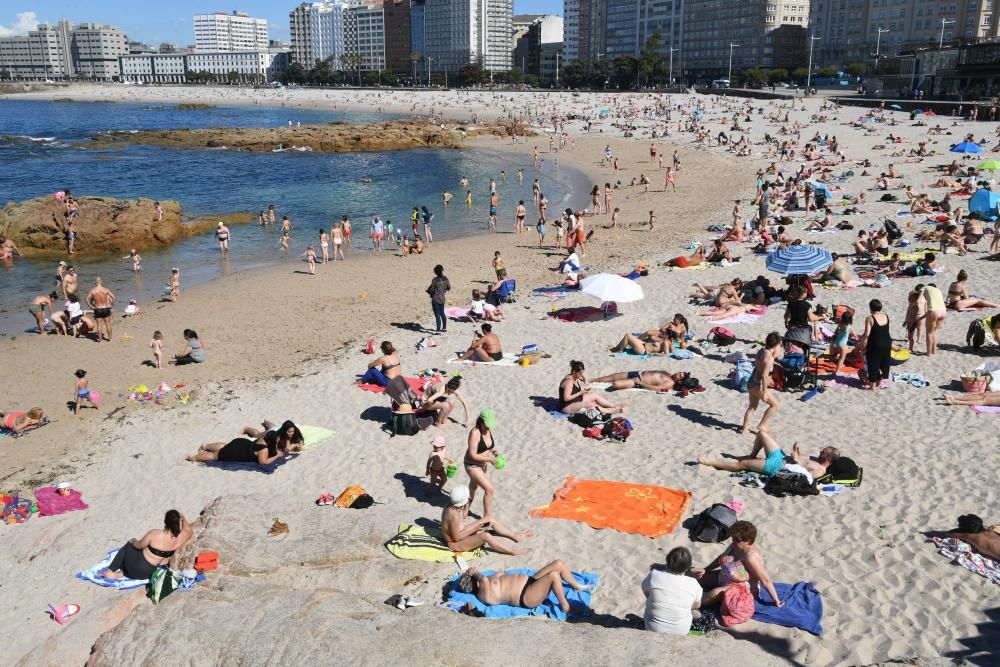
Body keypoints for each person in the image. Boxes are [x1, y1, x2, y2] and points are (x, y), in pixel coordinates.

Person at [688, 520, 783, 609]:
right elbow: (721, 557)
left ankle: (686, 603)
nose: (733, 541)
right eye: (733, 537)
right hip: (727, 575)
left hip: (743, 585)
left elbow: (765, 580)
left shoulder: (751, 557)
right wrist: (706, 569)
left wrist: (776, 600)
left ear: (748, 541)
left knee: (713, 594)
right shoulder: (735, 545)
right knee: (694, 576)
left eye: (737, 539)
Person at [455, 560, 593, 613]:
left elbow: (500, 572)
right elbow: (483, 579)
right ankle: (565, 607)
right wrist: (475, 572)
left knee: (558, 564)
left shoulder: (486, 580)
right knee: (554, 576)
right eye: (472, 579)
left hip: (530, 581)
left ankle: (577, 586)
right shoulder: (481, 593)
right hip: (526, 596)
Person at [98, 510, 193, 581]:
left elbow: (139, 546)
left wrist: (133, 540)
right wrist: (183, 518)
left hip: (136, 568)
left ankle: (110, 571)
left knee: (129, 545)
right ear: (178, 521)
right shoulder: (182, 536)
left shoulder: (155, 533)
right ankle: (122, 573)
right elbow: (189, 530)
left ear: (165, 521)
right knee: (140, 555)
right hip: (149, 573)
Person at [441, 484, 532, 556]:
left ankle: (514, 536)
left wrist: (467, 504)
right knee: (486, 536)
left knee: (489, 519)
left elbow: (464, 517)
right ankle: (512, 552)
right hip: (455, 544)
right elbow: (457, 538)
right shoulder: (454, 515)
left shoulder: (453, 505)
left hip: (462, 532)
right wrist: (475, 529)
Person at [641, 547, 703, 635]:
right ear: (688, 567)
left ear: (667, 561)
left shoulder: (654, 575)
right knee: (699, 614)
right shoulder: (693, 583)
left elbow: (645, 591)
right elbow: (697, 605)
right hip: (681, 631)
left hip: (652, 628)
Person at [187, 420, 304, 464]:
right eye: (289, 432)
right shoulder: (269, 442)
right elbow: (263, 462)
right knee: (214, 456)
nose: (292, 433)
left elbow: (300, 444)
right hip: (241, 448)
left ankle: (206, 445)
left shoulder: (291, 434)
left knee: (225, 447)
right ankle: (192, 458)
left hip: (242, 443)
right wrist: (278, 455)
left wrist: (295, 444)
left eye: (292, 432)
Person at [741, 332, 783, 434]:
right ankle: (762, 425)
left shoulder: (761, 351)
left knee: (752, 407)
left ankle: (745, 429)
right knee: (775, 405)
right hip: (758, 385)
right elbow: (764, 376)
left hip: (751, 382)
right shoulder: (769, 359)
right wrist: (764, 392)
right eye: (780, 345)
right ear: (776, 345)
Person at [557, 360, 626, 414]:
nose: (581, 376)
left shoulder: (575, 376)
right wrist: (580, 393)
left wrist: (584, 389)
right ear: (574, 372)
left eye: (582, 374)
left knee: (594, 395)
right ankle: (611, 411)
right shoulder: (569, 381)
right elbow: (566, 398)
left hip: (575, 400)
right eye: (580, 374)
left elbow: (581, 377)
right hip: (566, 406)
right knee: (591, 405)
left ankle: (613, 406)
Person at [856, 299, 892, 390]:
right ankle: (879, 383)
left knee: (873, 364)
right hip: (887, 342)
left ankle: (872, 387)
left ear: (871, 308)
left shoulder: (870, 318)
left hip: (876, 343)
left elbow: (867, 334)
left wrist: (860, 339)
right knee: (883, 363)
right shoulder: (886, 316)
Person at [590, 369, 689, 393]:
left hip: (638, 381)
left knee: (615, 384)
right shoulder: (670, 375)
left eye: (679, 375)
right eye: (679, 372)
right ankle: (592, 380)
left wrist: (639, 383)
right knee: (613, 376)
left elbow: (657, 389)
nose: (677, 374)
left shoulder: (670, 383)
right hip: (638, 373)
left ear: (679, 381)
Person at [85, 277, 115, 343]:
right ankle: (110, 339)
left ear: (95, 282)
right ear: (101, 282)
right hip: (105, 308)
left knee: (99, 324)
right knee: (108, 324)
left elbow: (87, 299)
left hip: (97, 309)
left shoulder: (93, 290)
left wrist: (91, 307)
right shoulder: (105, 289)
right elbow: (113, 297)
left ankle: (100, 340)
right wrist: (111, 305)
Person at [829, 311, 856, 376]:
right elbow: (855, 335)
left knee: (840, 353)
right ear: (850, 319)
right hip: (842, 344)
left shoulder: (840, 324)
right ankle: (837, 371)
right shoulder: (849, 327)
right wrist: (850, 335)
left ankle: (838, 362)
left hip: (837, 342)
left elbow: (836, 332)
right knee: (842, 358)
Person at [427, 264, 451, 333]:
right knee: (442, 313)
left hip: (436, 299)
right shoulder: (445, 279)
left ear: (435, 272)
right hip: (442, 298)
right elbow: (449, 287)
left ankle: (438, 330)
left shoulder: (435, 280)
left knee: (437, 314)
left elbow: (431, 290)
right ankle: (444, 328)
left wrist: (429, 291)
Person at [924, 284, 946, 356]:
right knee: (934, 332)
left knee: (929, 333)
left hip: (934, 312)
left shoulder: (927, 289)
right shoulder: (938, 291)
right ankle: (934, 351)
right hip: (943, 311)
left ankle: (929, 353)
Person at [904, 285, 927, 352]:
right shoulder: (912, 296)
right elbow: (915, 302)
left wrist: (925, 314)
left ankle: (918, 339)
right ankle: (910, 347)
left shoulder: (924, 297)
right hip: (911, 317)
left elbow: (925, 306)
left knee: (919, 328)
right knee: (910, 333)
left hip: (920, 316)